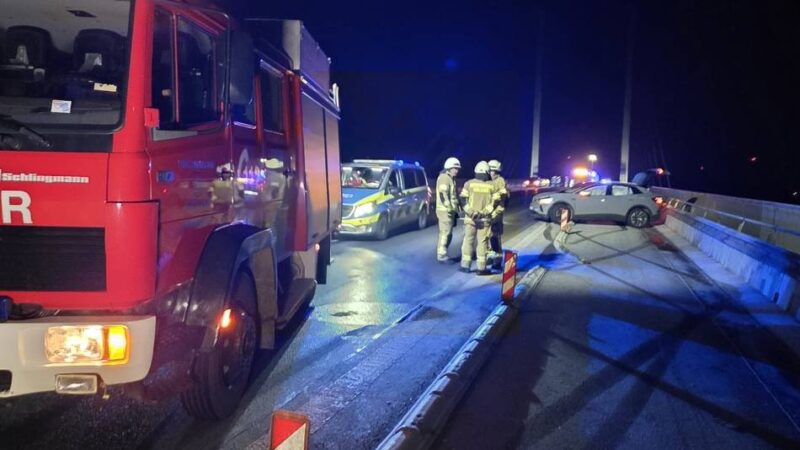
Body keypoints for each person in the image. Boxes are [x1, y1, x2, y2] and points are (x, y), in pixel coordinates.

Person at [460, 161, 502, 275]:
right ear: (487, 172)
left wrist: (471, 212)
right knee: (482, 243)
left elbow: (463, 200)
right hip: (484, 220)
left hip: (470, 219)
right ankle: (481, 268)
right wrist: (484, 213)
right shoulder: (492, 185)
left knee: (468, 241)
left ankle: (465, 265)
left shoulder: (468, 184)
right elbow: (495, 202)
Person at [436, 157, 461, 263]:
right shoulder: (444, 178)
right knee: (445, 233)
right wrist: (448, 207)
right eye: (455, 168)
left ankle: (444, 252)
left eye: (457, 169)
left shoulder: (451, 179)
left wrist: (458, 207)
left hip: (450, 211)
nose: (457, 170)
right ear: (449, 168)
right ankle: (441, 255)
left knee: (449, 233)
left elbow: (454, 195)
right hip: (445, 211)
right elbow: (443, 194)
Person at [487, 159, 508, 269]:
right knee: (488, 238)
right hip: (488, 214)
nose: (490, 173)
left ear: (496, 171)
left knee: (495, 238)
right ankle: (491, 258)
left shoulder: (500, 181)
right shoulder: (488, 181)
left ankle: (497, 262)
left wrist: (495, 213)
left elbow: (503, 200)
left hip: (496, 215)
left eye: (491, 171)